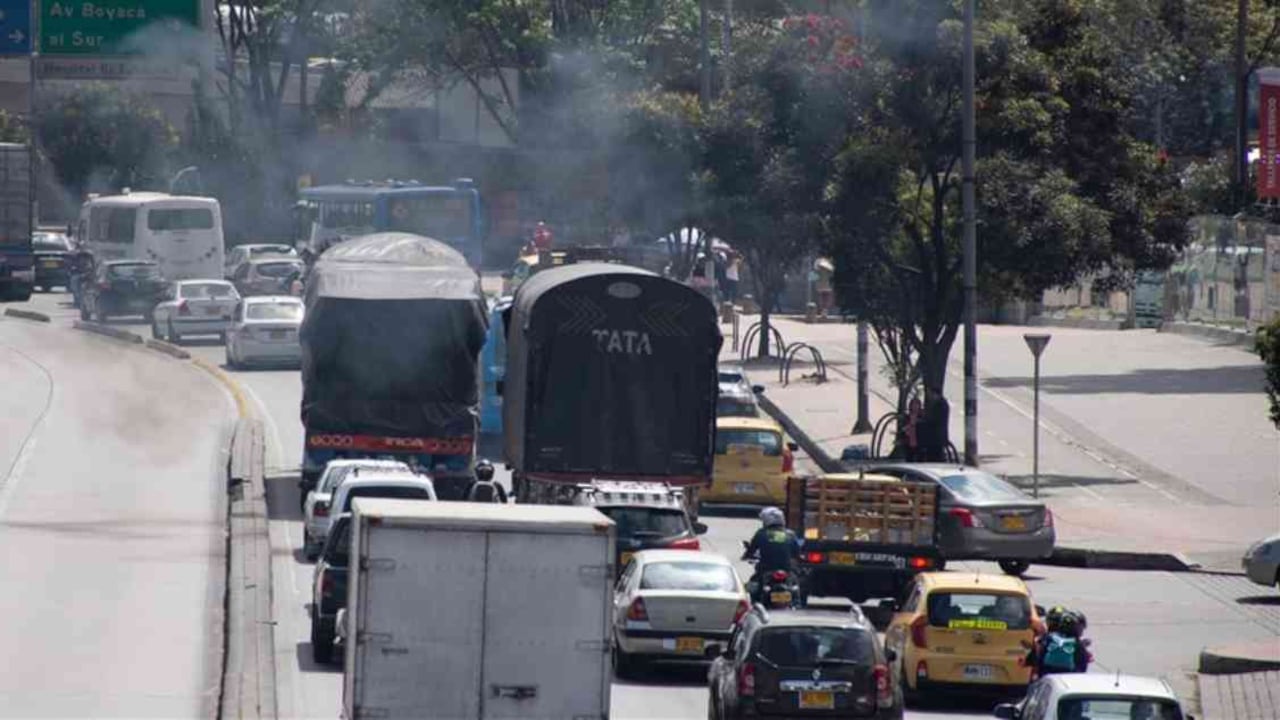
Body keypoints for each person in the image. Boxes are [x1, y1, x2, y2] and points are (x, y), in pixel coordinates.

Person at [741, 507, 801, 603]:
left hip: (766, 568)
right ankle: (797, 601)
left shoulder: (761, 534)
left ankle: (753, 603)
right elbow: (797, 553)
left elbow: (752, 550)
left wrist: (746, 556)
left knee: (752, 584)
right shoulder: (790, 534)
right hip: (786, 568)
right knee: (795, 581)